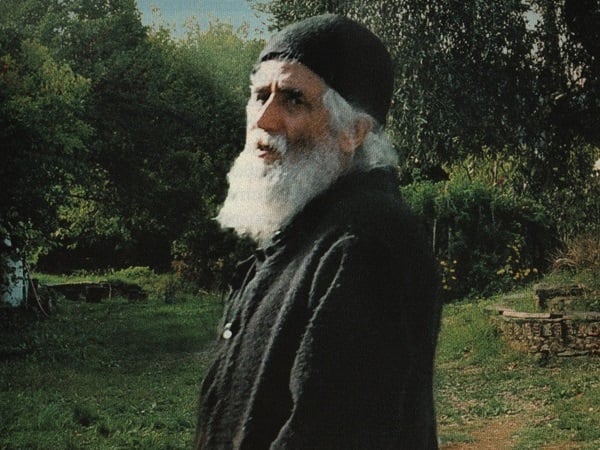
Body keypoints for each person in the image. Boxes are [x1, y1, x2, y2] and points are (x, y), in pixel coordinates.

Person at [195, 14, 441, 450]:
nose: (264, 120)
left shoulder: (364, 244)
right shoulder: (304, 232)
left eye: (293, 100)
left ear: (353, 132)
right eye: (260, 96)